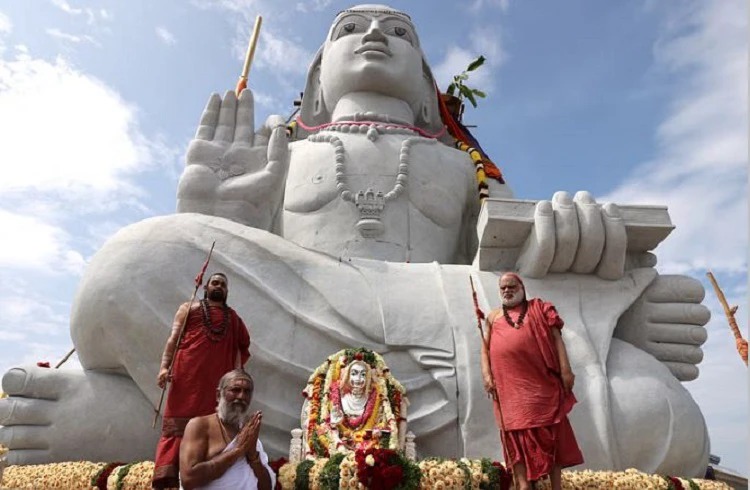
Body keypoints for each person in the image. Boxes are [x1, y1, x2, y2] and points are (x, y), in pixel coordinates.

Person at [0, 4, 711, 477]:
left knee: (664, 417)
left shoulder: (459, 166)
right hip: (296, 299)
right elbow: (227, 299)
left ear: (429, 87)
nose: (375, 34)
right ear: (316, 78)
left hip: (438, 318)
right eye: (350, 28)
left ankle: (131, 426)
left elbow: (500, 276)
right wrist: (217, 222)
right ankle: (189, 429)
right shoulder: (280, 148)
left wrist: (588, 277)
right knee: (131, 264)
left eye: (399, 31)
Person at [481, 272, 583, 490]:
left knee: (551, 435)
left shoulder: (540, 309)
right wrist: (487, 375)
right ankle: (524, 485)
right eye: (503, 288)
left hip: (541, 386)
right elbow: (485, 348)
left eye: (511, 286)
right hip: (509, 390)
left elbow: (557, 339)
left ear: (522, 287)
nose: (507, 290)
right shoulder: (493, 317)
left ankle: (556, 486)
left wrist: (566, 370)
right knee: (515, 437)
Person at [153, 273, 251, 489]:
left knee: (213, 426)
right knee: (177, 427)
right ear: (206, 286)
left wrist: (237, 376)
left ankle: (211, 476)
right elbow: (173, 339)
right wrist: (164, 367)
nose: (219, 286)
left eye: (223, 285)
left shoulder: (233, 319)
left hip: (217, 386)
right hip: (187, 379)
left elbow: (242, 347)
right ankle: (169, 481)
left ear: (227, 291)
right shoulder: (189, 308)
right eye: (215, 282)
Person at [180, 369, 274, 490]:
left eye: (247, 392)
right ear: (219, 395)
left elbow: (267, 487)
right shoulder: (200, 426)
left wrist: (253, 457)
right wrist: (237, 451)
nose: (241, 396)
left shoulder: (249, 432)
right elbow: (188, 479)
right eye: (235, 390)